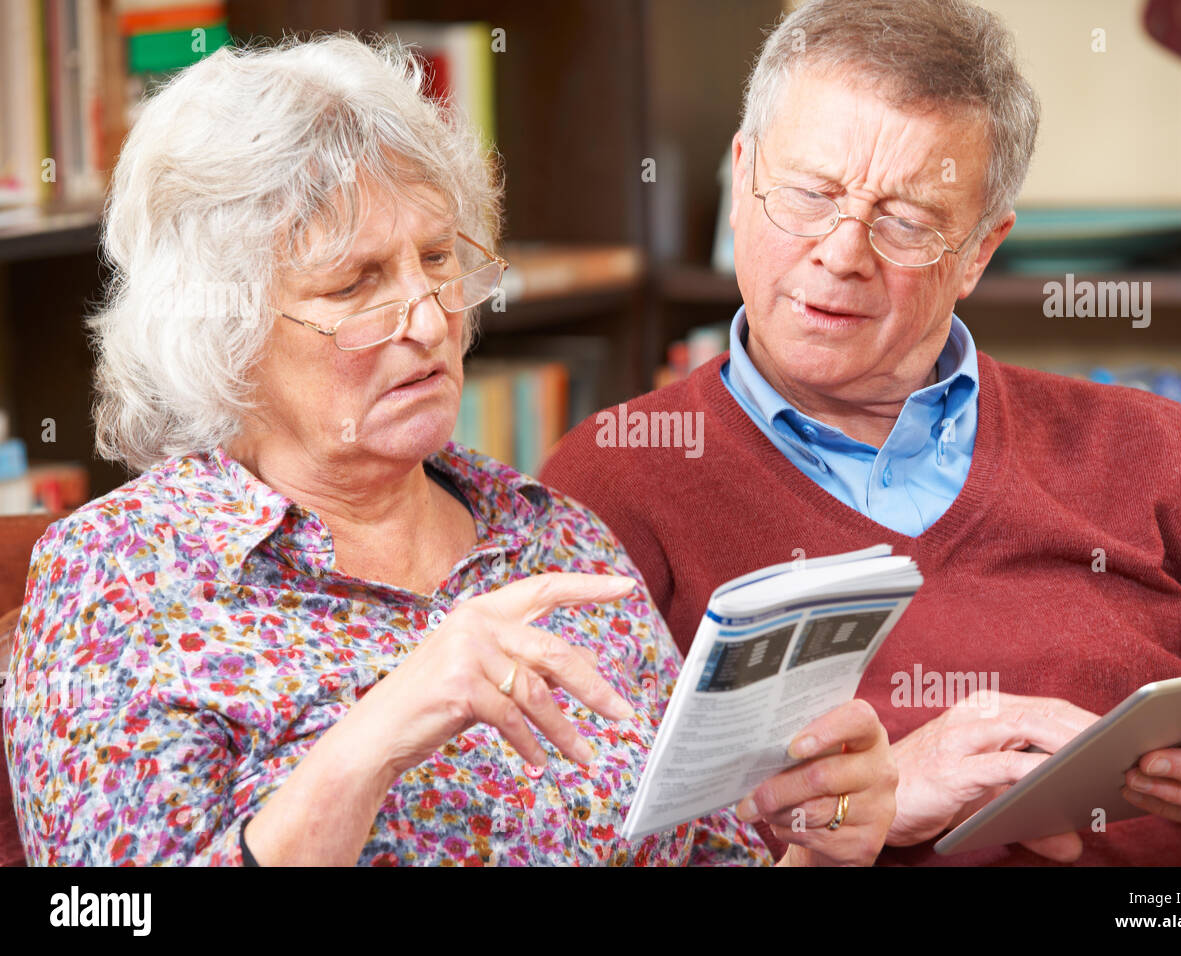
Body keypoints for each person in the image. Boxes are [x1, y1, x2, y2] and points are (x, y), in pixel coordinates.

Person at [1, 33, 897, 866]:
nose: (430, 321)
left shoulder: (554, 538)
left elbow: (705, 853)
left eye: (436, 261)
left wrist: (818, 847)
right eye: (358, 282)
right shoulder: (118, 579)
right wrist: (377, 735)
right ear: (220, 329)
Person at [541, 0, 1181, 865]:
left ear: (980, 251)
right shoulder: (612, 484)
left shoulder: (1158, 453)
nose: (841, 252)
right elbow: (573, 833)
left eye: (906, 221)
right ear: (743, 178)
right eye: (808, 194)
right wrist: (879, 792)